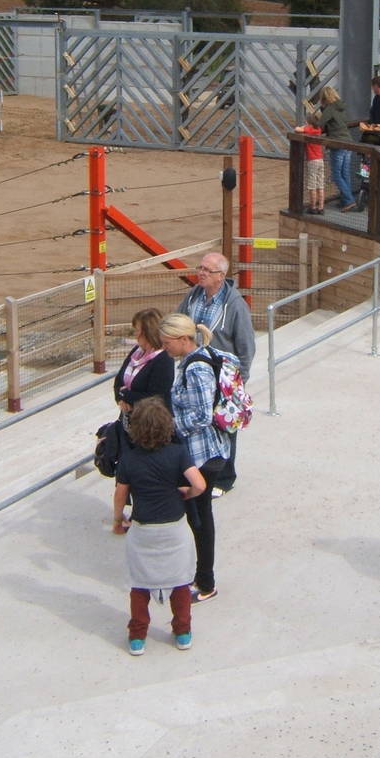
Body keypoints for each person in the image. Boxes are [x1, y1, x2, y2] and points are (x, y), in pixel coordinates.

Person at [112, 396, 206, 655]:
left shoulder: (129, 459)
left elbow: (121, 494)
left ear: (136, 428)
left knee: (140, 584)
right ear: (167, 425)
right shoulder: (177, 453)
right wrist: (185, 493)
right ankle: (183, 632)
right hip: (174, 528)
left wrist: (118, 519)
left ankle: (137, 636)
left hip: (143, 530)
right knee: (180, 582)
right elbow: (199, 484)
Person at [157, 313, 232, 602]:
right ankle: (201, 577)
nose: (165, 349)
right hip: (204, 451)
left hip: (203, 454)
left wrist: (169, 426)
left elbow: (201, 416)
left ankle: (205, 581)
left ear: (183, 339)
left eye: (167, 343)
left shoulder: (195, 369)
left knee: (199, 519)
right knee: (198, 517)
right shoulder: (196, 359)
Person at [177, 250, 255, 496]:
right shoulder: (193, 297)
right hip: (194, 374)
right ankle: (200, 472)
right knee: (199, 423)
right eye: (200, 268)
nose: (200, 273)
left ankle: (224, 479)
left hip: (222, 379)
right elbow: (178, 321)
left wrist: (236, 382)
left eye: (207, 270)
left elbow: (246, 347)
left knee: (224, 426)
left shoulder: (235, 305)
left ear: (220, 276)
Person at [113, 308, 174, 418]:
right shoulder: (136, 351)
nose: (135, 334)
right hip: (128, 419)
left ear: (147, 332)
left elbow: (156, 397)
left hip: (151, 423)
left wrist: (126, 396)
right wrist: (121, 399)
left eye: (137, 330)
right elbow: (119, 380)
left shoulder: (164, 359)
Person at [316, 85, 358, 211]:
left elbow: (320, 125)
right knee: (345, 173)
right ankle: (346, 200)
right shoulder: (340, 108)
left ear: (324, 98)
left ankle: (349, 200)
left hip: (337, 143)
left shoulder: (329, 109)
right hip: (348, 142)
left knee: (336, 174)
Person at [294, 121, 326, 214]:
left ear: (310, 123)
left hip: (312, 160)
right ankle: (321, 207)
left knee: (312, 185)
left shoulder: (309, 129)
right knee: (320, 185)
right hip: (320, 159)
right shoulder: (318, 129)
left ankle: (313, 207)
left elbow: (297, 129)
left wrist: (304, 126)